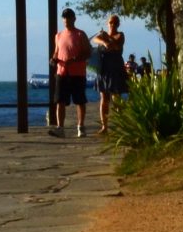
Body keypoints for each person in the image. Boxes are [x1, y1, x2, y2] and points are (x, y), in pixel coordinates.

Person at [50, 8, 92, 139]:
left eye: (69, 17)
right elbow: (56, 52)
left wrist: (75, 59)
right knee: (60, 101)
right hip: (62, 72)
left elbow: (88, 52)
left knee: (79, 101)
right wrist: (53, 59)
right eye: (64, 17)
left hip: (77, 73)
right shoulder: (58, 35)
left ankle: (81, 127)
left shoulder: (80, 34)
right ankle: (60, 128)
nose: (66, 19)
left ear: (74, 19)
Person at [89, 14, 132, 134]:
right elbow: (94, 39)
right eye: (110, 22)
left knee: (116, 97)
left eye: (115, 22)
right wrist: (104, 41)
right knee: (104, 97)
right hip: (104, 68)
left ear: (118, 24)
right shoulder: (103, 36)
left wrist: (107, 38)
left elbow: (117, 46)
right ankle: (104, 126)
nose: (112, 24)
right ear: (107, 23)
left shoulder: (120, 35)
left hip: (115, 68)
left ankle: (121, 124)